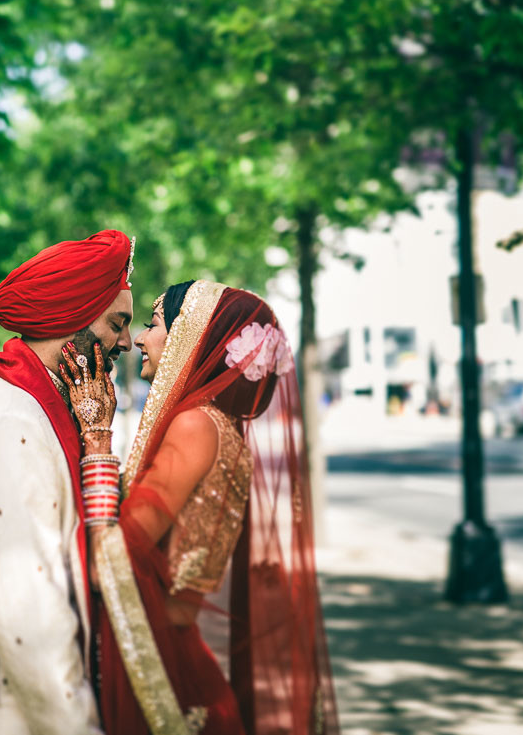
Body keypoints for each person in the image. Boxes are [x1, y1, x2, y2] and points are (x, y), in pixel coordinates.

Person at [63, 280, 339, 735]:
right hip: (181, 661)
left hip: (163, 674)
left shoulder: (195, 425)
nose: (139, 341)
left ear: (191, 338)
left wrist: (96, 438)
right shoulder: (221, 426)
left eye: (153, 324)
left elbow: (108, 561)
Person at [0, 229, 136, 735]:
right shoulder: (12, 424)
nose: (126, 342)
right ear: (73, 316)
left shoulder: (29, 403)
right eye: (117, 323)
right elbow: (29, 617)